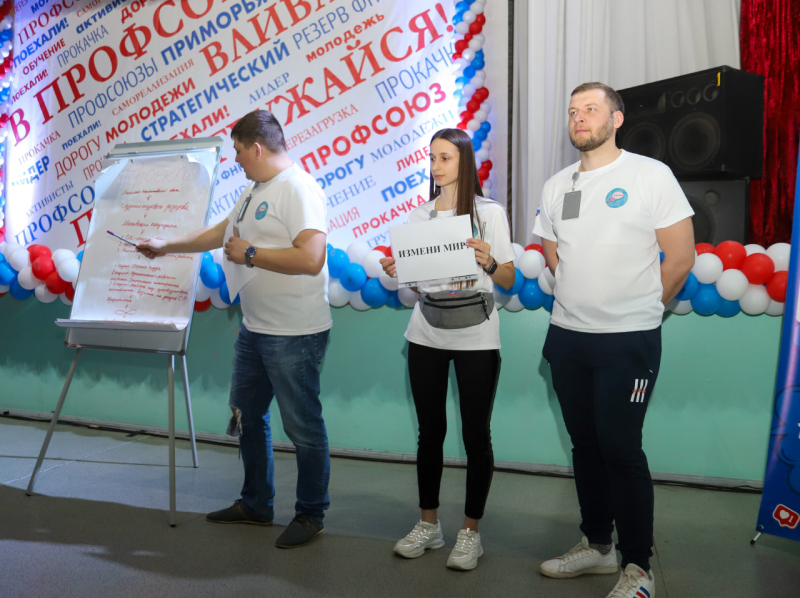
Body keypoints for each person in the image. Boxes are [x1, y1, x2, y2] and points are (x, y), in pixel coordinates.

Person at [138, 110, 332, 549]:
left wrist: (251, 254)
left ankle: (310, 514)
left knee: (303, 427)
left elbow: (311, 258)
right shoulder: (254, 188)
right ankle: (256, 504)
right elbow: (224, 233)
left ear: (257, 148)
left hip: (294, 334)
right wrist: (167, 246)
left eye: (240, 151)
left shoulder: (298, 188)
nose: (237, 160)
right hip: (255, 329)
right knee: (247, 416)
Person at [533, 82, 695, 597]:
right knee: (585, 446)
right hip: (568, 337)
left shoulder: (650, 175)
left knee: (621, 449)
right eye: (573, 111)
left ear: (616, 118)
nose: (579, 118)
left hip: (628, 341)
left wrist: (642, 309)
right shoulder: (557, 185)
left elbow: (682, 256)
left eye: (591, 109)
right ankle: (598, 546)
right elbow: (552, 251)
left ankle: (638, 568)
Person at [381, 128, 516, 570]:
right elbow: (414, 288)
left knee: (476, 435)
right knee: (430, 432)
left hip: (477, 335)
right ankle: (429, 525)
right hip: (426, 332)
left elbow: (509, 279)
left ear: (465, 161)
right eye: (432, 158)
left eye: (445, 158)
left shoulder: (489, 213)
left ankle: (470, 533)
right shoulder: (418, 217)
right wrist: (399, 272)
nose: (436, 166)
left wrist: (488, 261)